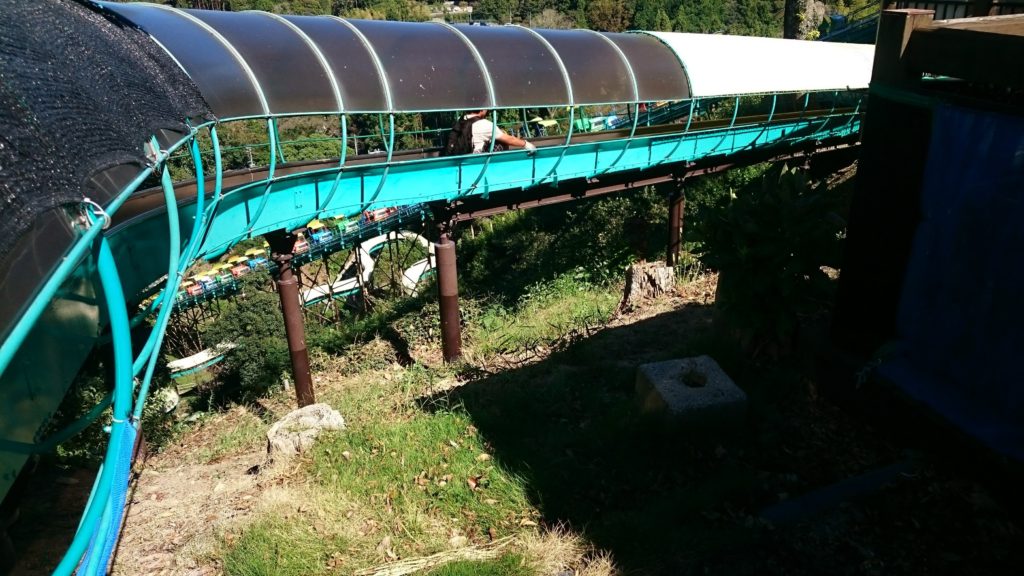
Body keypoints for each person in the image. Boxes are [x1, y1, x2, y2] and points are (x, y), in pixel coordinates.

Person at [463, 109, 536, 154]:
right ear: (483, 109)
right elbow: (509, 139)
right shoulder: (485, 124)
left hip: (460, 158)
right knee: (501, 142)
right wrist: (526, 144)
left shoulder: (461, 120)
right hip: (478, 160)